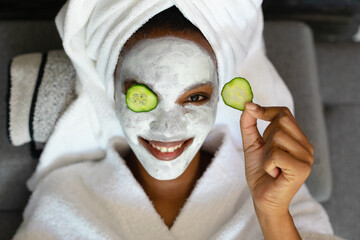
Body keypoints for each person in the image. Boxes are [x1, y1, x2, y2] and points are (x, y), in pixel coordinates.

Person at [13, 3, 340, 240]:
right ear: (110, 92)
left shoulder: (279, 194)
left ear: (218, 97)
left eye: (195, 97)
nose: (167, 129)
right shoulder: (66, 196)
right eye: (142, 96)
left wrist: (272, 214)